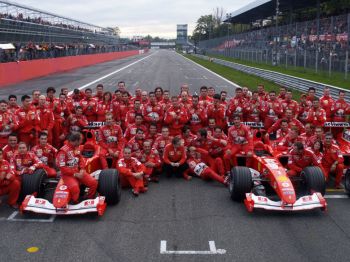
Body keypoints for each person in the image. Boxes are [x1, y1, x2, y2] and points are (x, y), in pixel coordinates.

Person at [56, 133, 98, 203]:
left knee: (94, 183)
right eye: (80, 141)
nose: (81, 142)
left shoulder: (77, 147)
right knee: (75, 188)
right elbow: (62, 168)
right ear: (76, 141)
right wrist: (75, 174)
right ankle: (75, 202)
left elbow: (81, 159)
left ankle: (89, 198)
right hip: (68, 175)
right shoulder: (63, 151)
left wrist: (82, 169)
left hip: (78, 171)